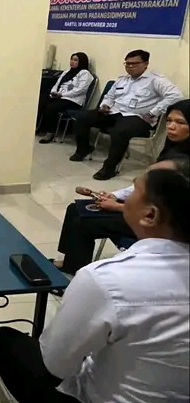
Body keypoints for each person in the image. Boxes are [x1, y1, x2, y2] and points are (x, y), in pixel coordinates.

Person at [0, 161, 190, 403]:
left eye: (134, 189)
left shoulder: (107, 280)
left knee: (6, 343)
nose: (127, 196)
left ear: (149, 215)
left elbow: (54, 365)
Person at [55, 100, 190, 274]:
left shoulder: (183, 163)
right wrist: (115, 195)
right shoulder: (174, 148)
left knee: (82, 222)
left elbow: (170, 211)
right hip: (144, 206)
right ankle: (71, 262)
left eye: (180, 122)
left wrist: (118, 206)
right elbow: (146, 183)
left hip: (160, 224)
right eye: (169, 120)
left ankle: (76, 270)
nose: (171, 126)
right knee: (74, 208)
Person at [70, 50, 183, 180]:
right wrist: (105, 105)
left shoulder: (156, 80)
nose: (130, 66)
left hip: (138, 117)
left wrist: (153, 112)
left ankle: (109, 168)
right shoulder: (122, 79)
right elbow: (110, 96)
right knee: (82, 118)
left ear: (145, 64)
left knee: (119, 131)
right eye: (127, 64)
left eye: (134, 64)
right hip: (114, 112)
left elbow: (175, 96)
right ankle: (83, 149)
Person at [37, 52, 93, 143]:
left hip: (73, 100)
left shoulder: (85, 74)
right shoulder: (67, 72)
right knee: (41, 101)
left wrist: (63, 95)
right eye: (71, 59)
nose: (72, 62)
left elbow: (80, 90)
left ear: (81, 62)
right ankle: (38, 128)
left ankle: (50, 132)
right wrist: (53, 92)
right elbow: (57, 84)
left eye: (75, 60)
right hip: (60, 96)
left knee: (51, 107)